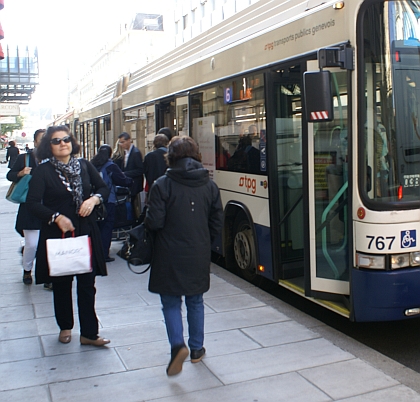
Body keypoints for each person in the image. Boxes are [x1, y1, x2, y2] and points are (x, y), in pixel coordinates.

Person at [145, 136, 223, 376]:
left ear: (171, 156)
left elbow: (155, 222)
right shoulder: (209, 185)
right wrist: (203, 242)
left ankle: (177, 345)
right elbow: (217, 221)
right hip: (197, 251)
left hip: (169, 252)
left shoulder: (162, 184)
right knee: (195, 300)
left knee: (170, 302)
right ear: (196, 155)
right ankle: (197, 349)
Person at [26, 125, 111, 346]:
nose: (63, 144)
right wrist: (56, 217)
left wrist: (93, 200)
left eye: (66, 139)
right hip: (59, 234)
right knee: (62, 283)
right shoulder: (43, 171)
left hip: (85, 231)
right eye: (56, 141)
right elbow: (32, 203)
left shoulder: (84, 165)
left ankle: (89, 333)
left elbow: (103, 188)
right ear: (49, 146)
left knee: (87, 284)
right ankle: (65, 326)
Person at [6, 129, 50, 287]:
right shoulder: (24, 158)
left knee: (47, 244)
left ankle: (47, 277)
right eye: (41, 139)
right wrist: (20, 173)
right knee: (32, 244)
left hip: (49, 206)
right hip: (30, 207)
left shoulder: (54, 159)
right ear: (35, 141)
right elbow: (9, 175)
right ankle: (27, 270)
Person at [91, 144, 133, 262]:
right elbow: (122, 180)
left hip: (93, 201)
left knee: (97, 228)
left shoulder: (92, 164)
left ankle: (95, 252)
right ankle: (104, 254)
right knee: (107, 227)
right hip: (108, 200)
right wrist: (131, 181)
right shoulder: (111, 166)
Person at [115, 132, 144, 216]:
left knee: (134, 206)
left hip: (135, 184)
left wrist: (125, 174)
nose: (121, 144)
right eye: (120, 142)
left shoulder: (135, 153)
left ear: (129, 140)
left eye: (123, 142)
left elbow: (140, 170)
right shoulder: (125, 152)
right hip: (128, 184)